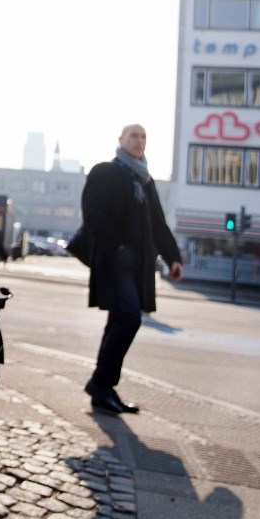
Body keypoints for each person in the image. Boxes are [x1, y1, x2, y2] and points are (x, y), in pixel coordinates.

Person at [79, 124, 183, 416]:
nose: (139, 141)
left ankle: (103, 389)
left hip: (137, 265)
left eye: (144, 137)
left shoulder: (145, 179)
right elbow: (93, 214)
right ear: (121, 140)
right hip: (115, 261)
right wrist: (117, 248)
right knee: (129, 318)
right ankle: (100, 384)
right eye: (134, 136)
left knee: (119, 320)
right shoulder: (105, 171)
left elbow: (158, 223)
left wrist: (173, 257)